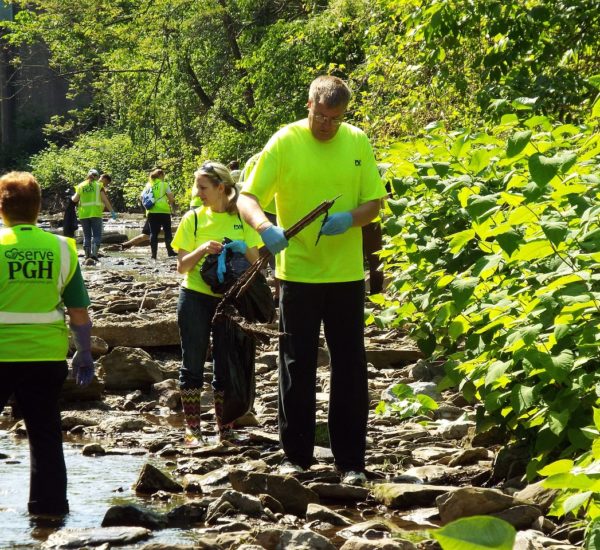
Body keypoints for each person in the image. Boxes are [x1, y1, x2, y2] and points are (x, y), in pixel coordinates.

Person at [237, 75, 386, 485]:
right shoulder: (285, 141)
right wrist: (265, 226)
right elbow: (247, 197)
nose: (326, 126)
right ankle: (296, 457)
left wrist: (351, 219)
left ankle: (351, 462)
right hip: (298, 274)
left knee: (350, 367)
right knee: (296, 364)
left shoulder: (356, 141)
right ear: (308, 105)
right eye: (321, 116)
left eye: (335, 119)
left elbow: (374, 203)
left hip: (345, 276)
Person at [0, 171, 94, 516]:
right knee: (45, 436)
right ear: (38, 208)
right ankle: (49, 511)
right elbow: (78, 311)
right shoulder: (62, 248)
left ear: (1, 208)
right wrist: (84, 352)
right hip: (45, 356)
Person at [171, 162, 261, 446]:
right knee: (192, 363)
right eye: (197, 187)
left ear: (221, 188)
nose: (197, 193)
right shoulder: (193, 219)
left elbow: (256, 263)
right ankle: (193, 430)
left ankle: (226, 428)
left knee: (226, 365)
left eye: (202, 187)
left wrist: (238, 246)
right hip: (195, 296)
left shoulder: (243, 219)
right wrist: (201, 249)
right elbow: (182, 267)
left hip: (230, 300)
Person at [71, 169, 117, 262]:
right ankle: (94, 255)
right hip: (96, 213)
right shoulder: (98, 186)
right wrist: (112, 211)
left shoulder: (81, 185)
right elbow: (104, 200)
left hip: (83, 214)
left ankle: (87, 256)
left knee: (87, 236)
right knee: (97, 236)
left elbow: (74, 200)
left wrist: (71, 197)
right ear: (97, 176)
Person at [142, 168, 177, 259]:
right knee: (167, 232)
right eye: (163, 175)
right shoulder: (164, 184)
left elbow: (142, 197)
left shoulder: (148, 185)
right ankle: (170, 251)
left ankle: (154, 255)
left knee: (153, 233)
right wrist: (172, 205)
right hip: (164, 211)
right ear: (161, 175)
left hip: (152, 211)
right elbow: (171, 199)